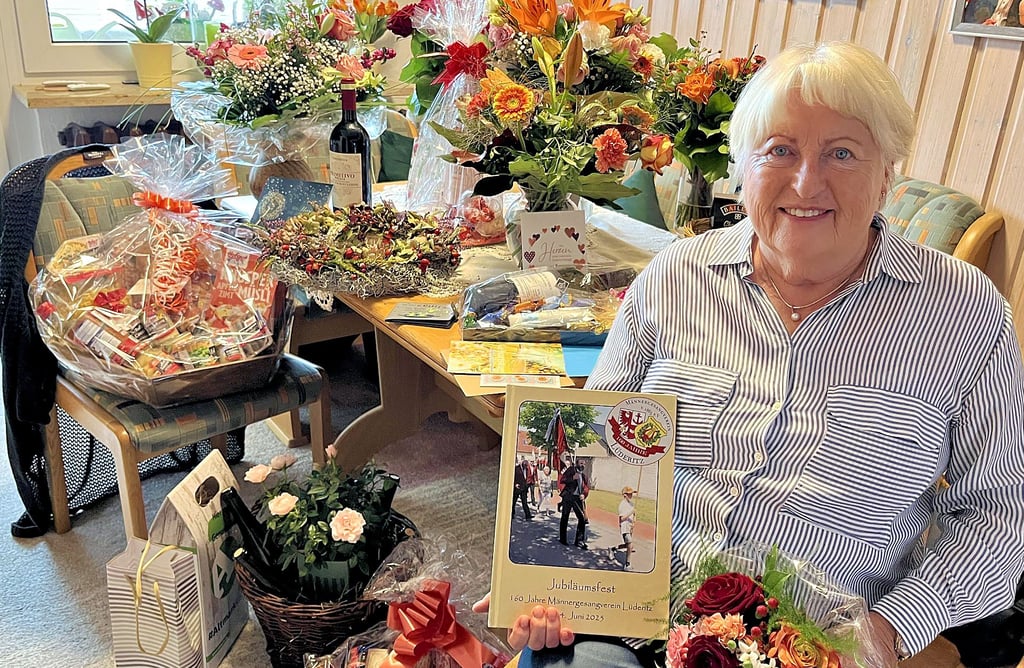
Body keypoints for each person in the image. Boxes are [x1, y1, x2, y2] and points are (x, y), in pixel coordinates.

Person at [474, 40, 1024, 667]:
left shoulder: (965, 311)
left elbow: (994, 518)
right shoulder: (674, 277)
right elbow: (592, 449)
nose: (806, 182)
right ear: (742, 167)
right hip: (637, 617)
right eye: (780, 151)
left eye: (841, 153)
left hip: (819, 646)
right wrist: (551, 583)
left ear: (886, 174)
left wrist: (892, 627)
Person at [557, 459, 588, 549]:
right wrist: (572, 478)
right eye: (581, 463)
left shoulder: (583, 475)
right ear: (577, 463)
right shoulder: (571, 470)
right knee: (565, 517)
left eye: (584, 464)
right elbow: (563, 480)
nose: (583, 465)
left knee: (582, 518)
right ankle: (563, 539)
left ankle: (579, 541)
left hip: (577, 498)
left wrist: (584, 494)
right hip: (568, 497)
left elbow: (586, 487)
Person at [617, 486, 636, 571]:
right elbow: (622, 518)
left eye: (631, 494)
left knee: (628, 546)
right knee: (630, 544)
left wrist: (634, 522)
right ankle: (627, 564)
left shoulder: (631, 504)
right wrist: (630, 512)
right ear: (625, 495)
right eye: (629, 494)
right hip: (625, 527)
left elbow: (634, 515)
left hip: (630, 526)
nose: (631, 495)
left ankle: (613, 548)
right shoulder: (622, 505)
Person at [512, 456, 533, 522]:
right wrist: (515, 484)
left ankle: (528, 515)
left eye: (526, 465)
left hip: (523, 488)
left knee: (525, 502)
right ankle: (512, 514)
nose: (526, 466)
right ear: (522, 464)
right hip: (517, 488)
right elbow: (513, 477)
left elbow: (526, 478)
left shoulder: (526, 469)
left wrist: (527, 486)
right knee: (514, 502)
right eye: (525, 465)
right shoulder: (516, 468)